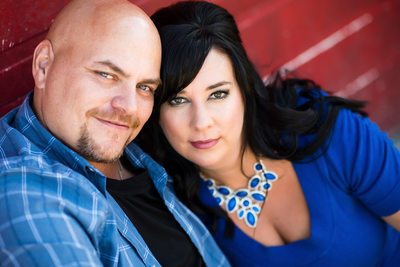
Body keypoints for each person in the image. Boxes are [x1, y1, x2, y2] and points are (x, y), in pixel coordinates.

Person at [137, 1, 400, 266]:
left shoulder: (329, 133)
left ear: (244, 88)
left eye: (218, 94)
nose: (201, 122)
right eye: (178, 100)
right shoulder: (178, 211)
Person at [0, 0, 231, 266]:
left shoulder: (139, 152)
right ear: (43, 66)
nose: (130, 107)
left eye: (144, 87)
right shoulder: (25, 195)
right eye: (106, 74)